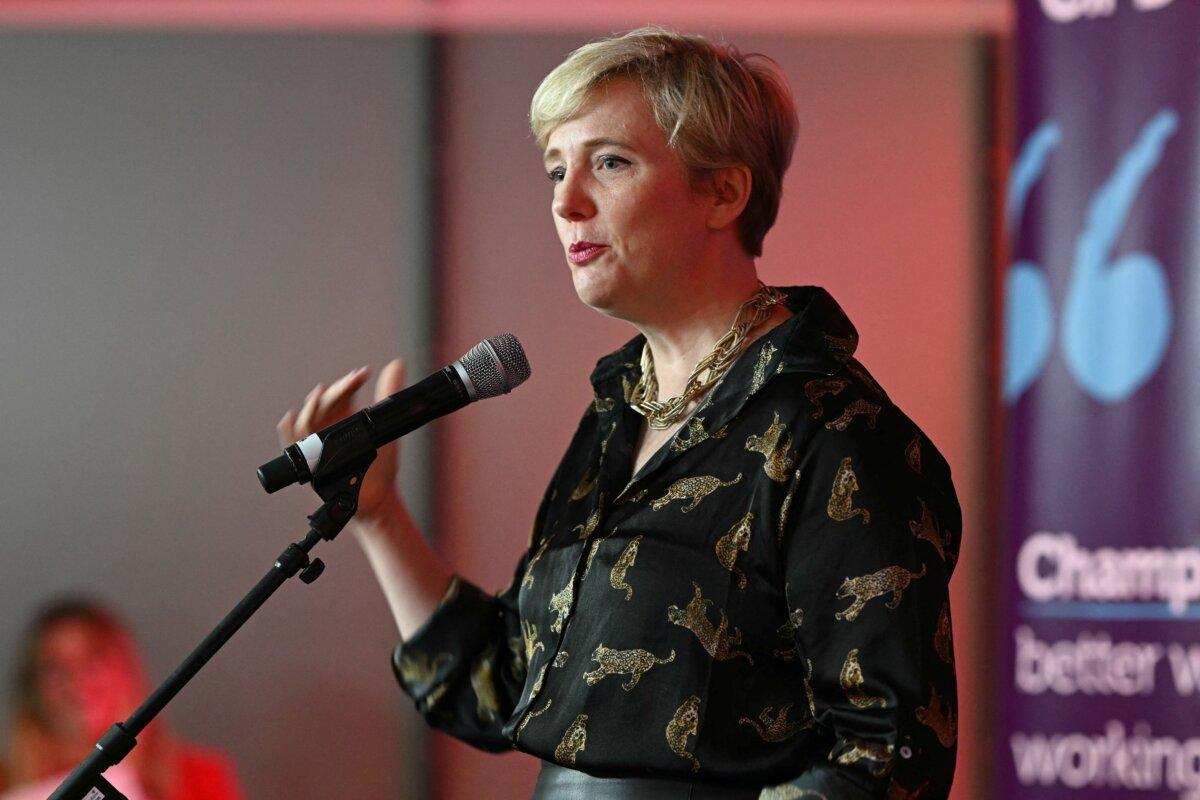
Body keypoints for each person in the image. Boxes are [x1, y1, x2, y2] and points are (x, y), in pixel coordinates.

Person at [277, 27, 960, 799]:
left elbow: (888, 759)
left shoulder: (837, 433)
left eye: (610, 162)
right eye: (555, 169)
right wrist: (377, 516)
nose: (566, 202)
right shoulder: (619, 416)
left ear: (723, 192)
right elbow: (505, 687)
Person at [1, 597, 244, 800]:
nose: (76, 680)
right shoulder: (5, 782)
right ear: (32, 688)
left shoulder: (199, 775)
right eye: (55, 668)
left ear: (127, 668)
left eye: (94, 660)